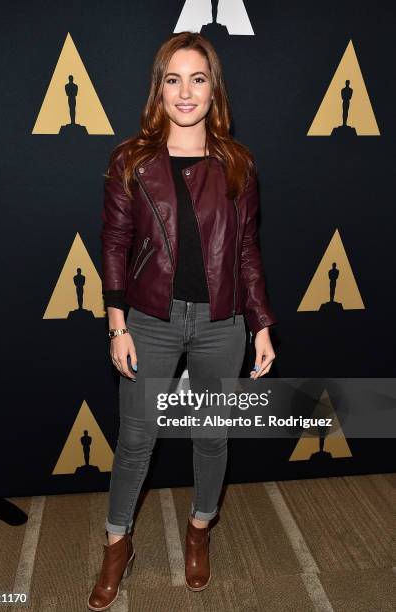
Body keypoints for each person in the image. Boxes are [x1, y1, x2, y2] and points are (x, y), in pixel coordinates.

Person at [88, 30, 277, 611]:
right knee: (136, 442)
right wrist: (116, 325)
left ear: (212, 87)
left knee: (212, 437)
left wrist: (261, 323)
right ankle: (118, 545)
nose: (186, 91)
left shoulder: (237, 162)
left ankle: (200, 530)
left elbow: (246, 249)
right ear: (159, 89)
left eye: (198, 78)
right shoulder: (132, 159)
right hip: (150, 320)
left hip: (223, 324)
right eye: (174, 79)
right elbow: (116, 243)